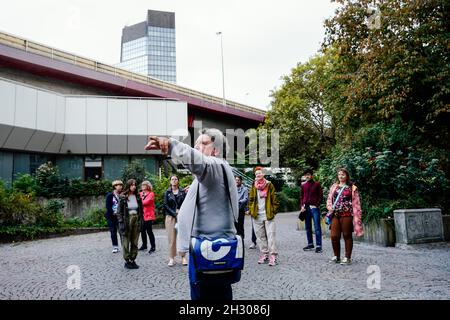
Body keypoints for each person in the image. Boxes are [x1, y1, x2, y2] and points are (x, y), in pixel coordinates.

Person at [145, 128, 239, 300]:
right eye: (196, 145)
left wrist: (172, 144)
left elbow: (196, 160)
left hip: (209, 251)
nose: (197, 148)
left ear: (216, 150)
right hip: (211, 250)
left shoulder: (214, 166)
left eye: (203, 144)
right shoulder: (219, 170)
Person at [326, 168, 363, 265]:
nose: (341, 176)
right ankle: (336, 256)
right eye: (339, 174)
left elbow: (356, 203)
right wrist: (330, 207)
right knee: (334, 236)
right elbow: (329, 199)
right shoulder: (334, 186)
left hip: (347, 214)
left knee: (347, 235)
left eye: (343, 174)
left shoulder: (352, 187)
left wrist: (358, 216)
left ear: (347, 176)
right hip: (335, 214)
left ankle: (347, 257)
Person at [248, 166, 280, 266]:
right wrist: (251, 210)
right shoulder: (254, 185)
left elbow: (274, 198)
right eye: (256, 174)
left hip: (268, 214)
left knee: (271, 236)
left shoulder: (269, 185)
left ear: (263, 174)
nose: (258, 175)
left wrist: (274, 210)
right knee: (260, 237)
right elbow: (251, 198)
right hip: (257, 215)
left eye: (260, 173)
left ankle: (273, 255)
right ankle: (264, 254)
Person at [116, 179, 143, 269]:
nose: (134, 186)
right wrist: (121, 222)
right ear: (128, 186)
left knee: (135, 241)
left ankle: (133, 259)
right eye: (132, 185)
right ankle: (127, 260)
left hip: (136, 219)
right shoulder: (123, 197)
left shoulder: (137, 197)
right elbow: (119, 212)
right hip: (127, 220)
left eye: (135, 185)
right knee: (126, 242)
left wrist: (141, 220)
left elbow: (141, 211)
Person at [163, 175, 187, 266]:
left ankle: (183, 257)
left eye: (176, 179)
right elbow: (165, 205)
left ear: (178, 181)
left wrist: (181, 213)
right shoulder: (167, 192)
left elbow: (186, 203)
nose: (174, 180)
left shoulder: (182, 192)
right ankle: (171, 258)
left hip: (182, 216)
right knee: (171, 238)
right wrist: (174, 213)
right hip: (170, 216)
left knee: (182, 237)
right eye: (172, 179)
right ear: (170, 181)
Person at [300, 168, 324, 253]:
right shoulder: (303, 185)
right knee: (308, 227)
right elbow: (302, 197)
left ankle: (318, 246)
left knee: (317, 227)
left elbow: (321, 196)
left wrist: (316, 205)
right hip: (306, 208)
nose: (307, 176)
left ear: (312, 175)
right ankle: (310, 244)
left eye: (308, 175)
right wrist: (302, 206)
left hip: (314, 208)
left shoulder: (317, 184)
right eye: (306, 175)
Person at [105, 180, 123, 253]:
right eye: (119, 185)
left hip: (120, 216)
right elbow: (107, 206)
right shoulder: (110, 195)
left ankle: (124, 245)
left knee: (122, 231)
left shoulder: (122, 195)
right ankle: (115, 246)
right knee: (113, 231)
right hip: (111, 216)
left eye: (121, 185)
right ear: (115, 186)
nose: (121, 187)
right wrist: (113, 213)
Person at [139, 180, 156, 254]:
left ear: (148, 186)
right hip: (141, 215)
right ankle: (144, 245)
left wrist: (140, 201)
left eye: (144, 185)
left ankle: (153, 246)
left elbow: (145, 202)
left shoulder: (151, 194)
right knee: (142, 230)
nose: (142, 186)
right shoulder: (140, 193)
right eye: (142, 185)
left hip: (148, 215)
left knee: (149, 231)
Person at [235, 175, 248, 240]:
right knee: (235, 225)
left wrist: (239, 202)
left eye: (238, 180)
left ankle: (242, 239)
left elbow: (246, 198)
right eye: (236, 180)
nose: (237, 181)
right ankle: (237, 239)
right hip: (234, 209)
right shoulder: (233, 188)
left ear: (241, 181)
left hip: (241, 209)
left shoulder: (245, 189)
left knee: (240, 225)